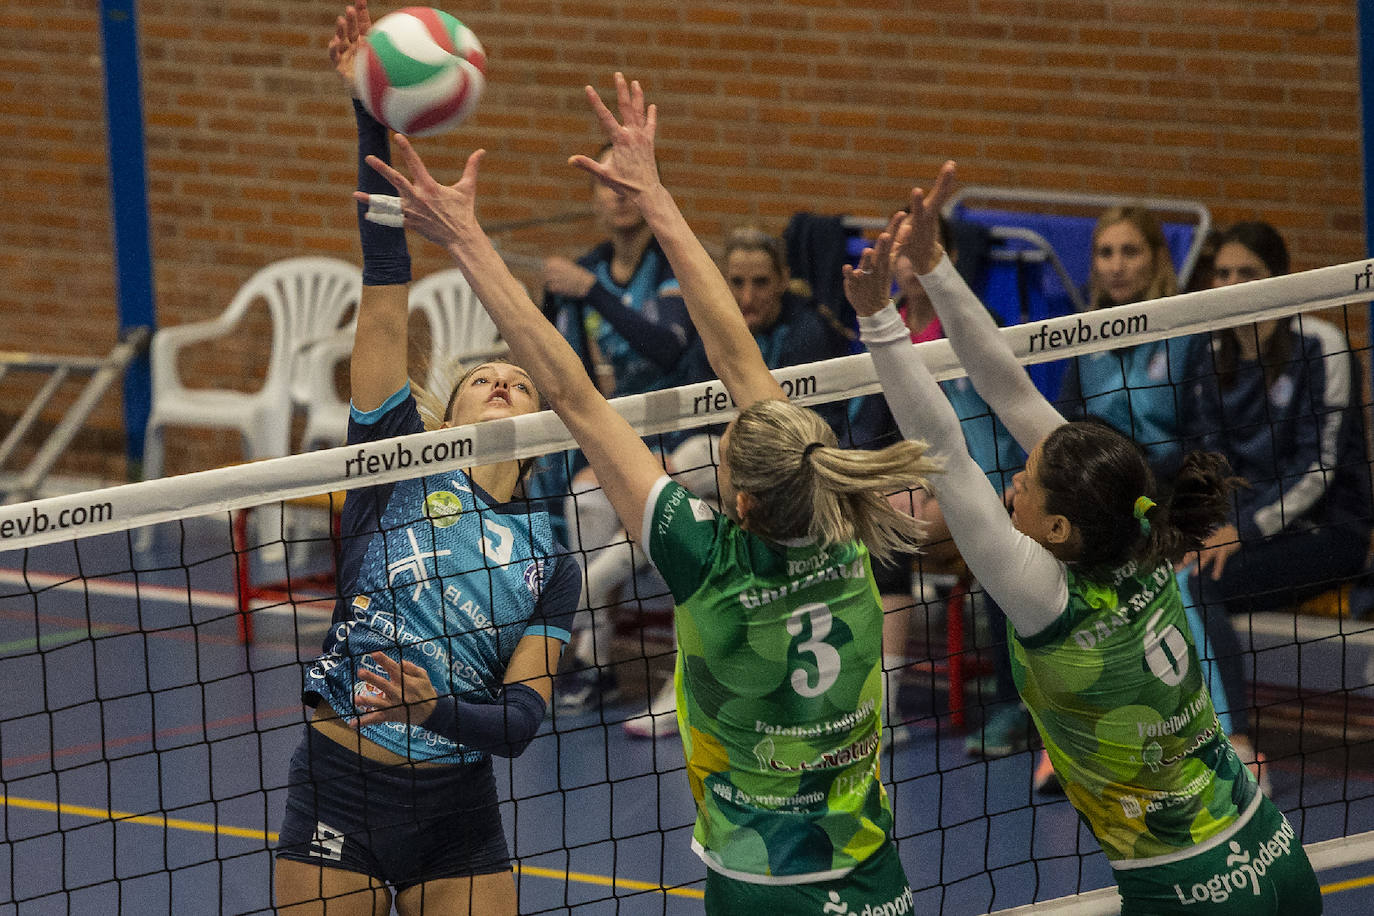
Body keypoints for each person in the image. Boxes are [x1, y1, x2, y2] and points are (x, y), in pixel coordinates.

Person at [363, 72, 932, 913]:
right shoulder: (842, 521)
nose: (737, 419)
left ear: (737, 504)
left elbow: (575, 394)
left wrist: (467, 239)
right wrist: (655, 196)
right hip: (877, 877)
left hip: (763, 887)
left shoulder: (704, 559)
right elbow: (741, 361)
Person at [851, 161, 1321, 914]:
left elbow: (942, 445)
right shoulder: (1142, 531)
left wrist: (878, 319)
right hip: (1270, 849)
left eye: (1024, 485)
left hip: (1187, 890)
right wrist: (935, 265)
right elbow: (1011, 389)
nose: (1012, 482)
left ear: (1059, 527)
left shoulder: (1042, 597)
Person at [272, 6, 580, 914]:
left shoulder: (549, 561)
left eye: (517, 380)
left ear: (540, 426)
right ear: (439, 411)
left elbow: (521, 724)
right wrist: (371, 112)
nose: (499, 380)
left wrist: (430, 712)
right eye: (480, 374)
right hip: (340, 784)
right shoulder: (395, 468)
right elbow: (383, 286)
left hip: (459, 811)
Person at [612, 226, 858, 739]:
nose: (748, 297)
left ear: (784, 281)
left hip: (800, 490)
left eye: (761, 283)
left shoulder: (809, 332)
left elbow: (784, 430)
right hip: (728, 481)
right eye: (737, 282)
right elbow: (697, 402)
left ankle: (603, 577)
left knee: (684, 478)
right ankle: (610, 659)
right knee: (627, 499)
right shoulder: (718, 333)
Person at [1180, 220, 1374, 790]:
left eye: (1249, 274)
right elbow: (1206, 464)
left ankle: (1239, 746)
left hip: (1328, 534)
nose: (1235, 284)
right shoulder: (1207, 355)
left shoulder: (1322, 345)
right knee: (1168, 576)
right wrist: (1200, 529)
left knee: (1194, 585)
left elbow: (1318, 470)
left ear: (1279, 281)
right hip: (1241, 529)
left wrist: (1244, 530)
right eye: (1223, 273)